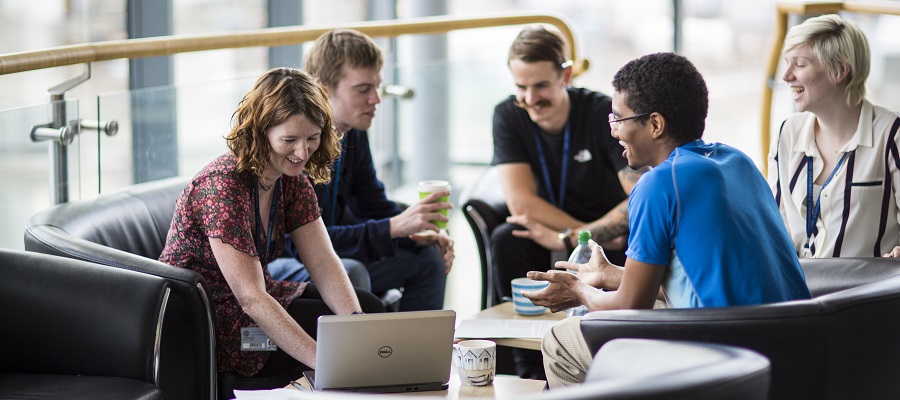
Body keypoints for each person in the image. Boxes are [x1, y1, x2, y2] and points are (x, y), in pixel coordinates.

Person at [522, 52, 812, 388]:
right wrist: (610, 275)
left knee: (561, 340)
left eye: (618, 118)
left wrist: (580, 289)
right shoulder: (737, 162)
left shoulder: (659, 184)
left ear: (655, 125)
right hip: (793, 350)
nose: (613, 130)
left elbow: (629, 308)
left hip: (727, 356)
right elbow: (700, 278)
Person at [158, 68, 384, 394]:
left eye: (312, 137)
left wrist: (357, 323)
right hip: (206, 321)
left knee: (367, 310)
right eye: (289, 140)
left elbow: (323, 261)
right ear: (260, 133)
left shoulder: (290, 179)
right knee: (333, 347)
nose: (302, 152)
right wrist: (328, 361)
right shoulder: (222, 185)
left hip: (253, 305)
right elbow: (250, 297)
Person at [269, 29, 454, 311]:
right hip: (284, 260)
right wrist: (394, 228)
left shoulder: (352, 132)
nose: (376, 99)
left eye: (377, 87)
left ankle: (414, 354)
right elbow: (302, 244)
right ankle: (366, 354)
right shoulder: (297, 147)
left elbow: (373, 203)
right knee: (351, 272)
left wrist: (418, 229)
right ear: (323, 89)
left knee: (427, 259)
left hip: (333, 254)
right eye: (363, 90)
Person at [490, 25, 643, 302]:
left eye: (541, 86)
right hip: (557, 228)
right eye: (521, 87)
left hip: (610, 234)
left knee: (637, 237)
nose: (530, 99)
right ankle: (517, 337)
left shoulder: (601, 113)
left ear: (566, 75)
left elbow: (642, 196)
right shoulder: (508, 115)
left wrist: (573, 239)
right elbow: (522, 203)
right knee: (507, 237)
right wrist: (582, 235)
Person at [768, 14, 900, 259]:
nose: (786, 76)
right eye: (787, 63)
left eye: (799, 64)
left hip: (864, 295)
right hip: (799, 292)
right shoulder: (786, 133)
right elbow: (774, 228)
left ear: (839, 70)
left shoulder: (892, 133)